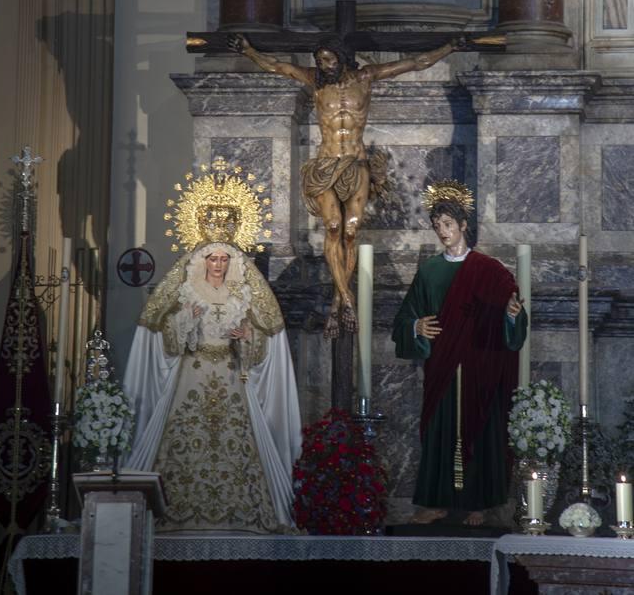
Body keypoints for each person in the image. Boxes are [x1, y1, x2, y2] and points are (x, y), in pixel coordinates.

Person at [229, 32, 463, 336]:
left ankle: (339, 300)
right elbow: (276, 66)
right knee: (334, 228)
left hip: (356, 164)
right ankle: (348, 298)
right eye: (320, 60)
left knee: (351, 231)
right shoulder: (315, 81)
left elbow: (415, 63)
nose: (324, 65)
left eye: (329, 59)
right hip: (325, 164)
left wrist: (448, 47)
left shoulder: (364, 78)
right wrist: (248, 50)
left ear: (342, 58)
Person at [122, 241, 302, 533]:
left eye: (223, 259)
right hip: (193, 373)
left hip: (231, 376)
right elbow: (168, 334)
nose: (218, 265)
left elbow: (258, 341)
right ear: (202, 261)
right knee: (184, 439)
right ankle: (177, 515)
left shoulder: (240, 293)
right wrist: (185, 320)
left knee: (237, 441)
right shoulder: (187, 291)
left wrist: (246, 335)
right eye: (212, 259)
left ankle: (241, 516)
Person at [392, 181, 527, 526]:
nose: (443, 232)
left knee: (478, 426)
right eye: (437, 226)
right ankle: (435, 503)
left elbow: (510, 309)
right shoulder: (429, 271)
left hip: (480, 364)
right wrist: (416, 328)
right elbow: (405, 317)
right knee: (440, 428)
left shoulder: (489, 269)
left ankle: (478, 503)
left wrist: (512, 314)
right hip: (442, 366)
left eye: (448, 225)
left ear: (464, 225)